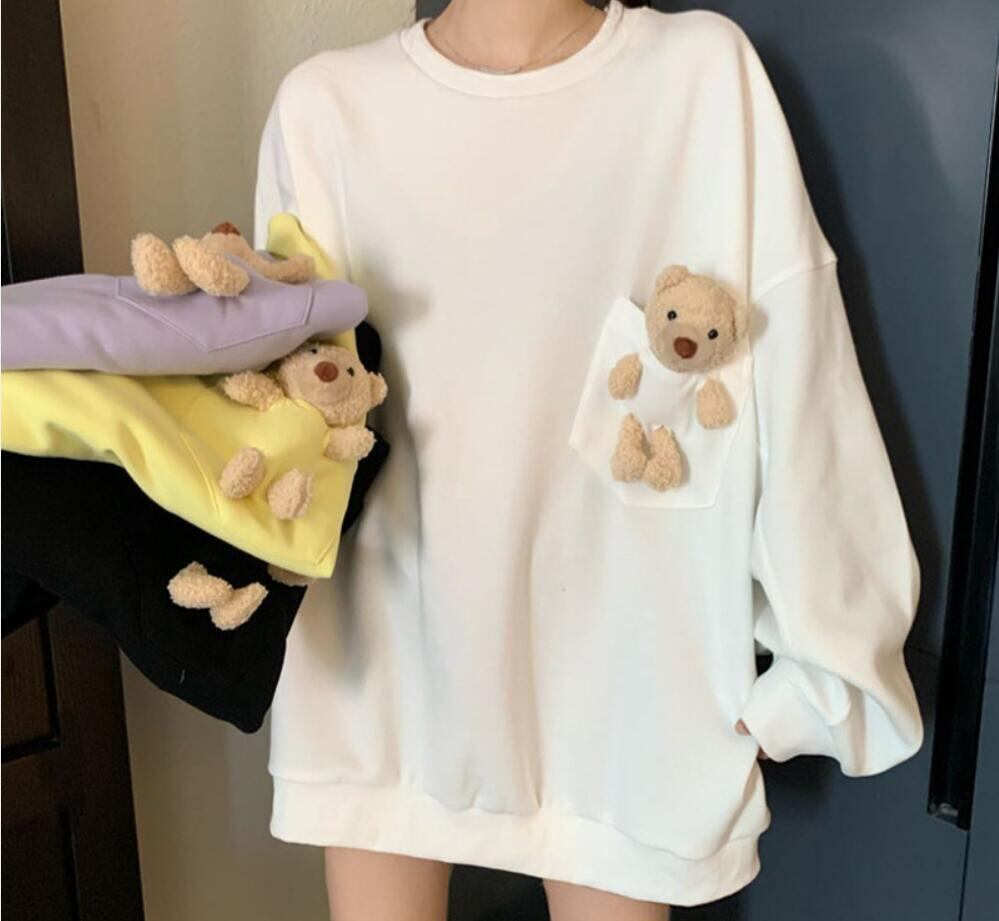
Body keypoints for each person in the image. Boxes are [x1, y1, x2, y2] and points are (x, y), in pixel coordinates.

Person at [253, 2, 924, 918]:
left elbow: (799, 371)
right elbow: (296, 412)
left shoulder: (700, 79)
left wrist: (821, 672)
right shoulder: (324, 110)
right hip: (377, 683)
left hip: (626, 703)